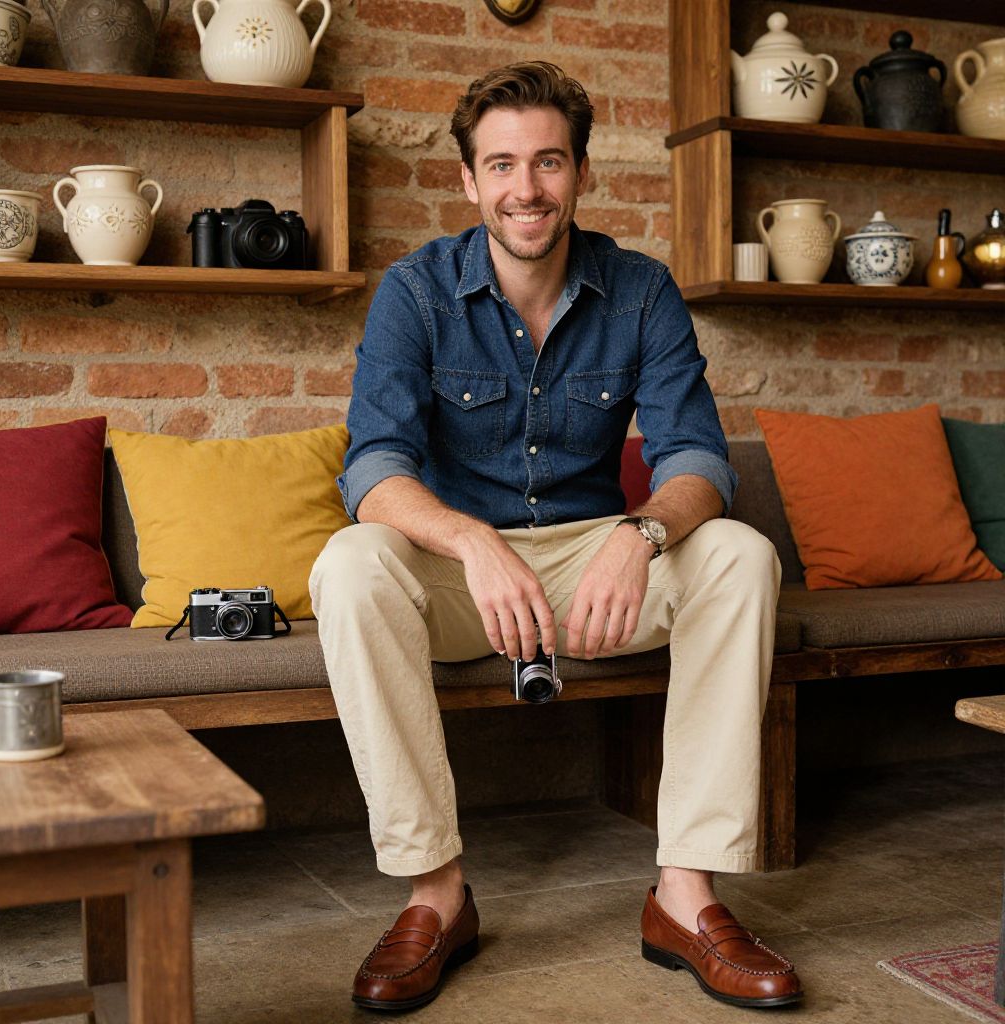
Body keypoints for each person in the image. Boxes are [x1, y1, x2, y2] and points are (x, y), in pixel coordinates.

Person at [309, 61, 803, 1013]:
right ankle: (436, 894)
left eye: (546, 162)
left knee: (740, 553)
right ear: (468, 181)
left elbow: (698, 457)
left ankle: (686, 896)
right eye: (501, 165)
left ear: (579, 172)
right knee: (351, 565)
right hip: (464, 579)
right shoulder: (414, 292)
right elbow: (372, 469)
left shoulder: (642, 291)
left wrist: (640, 534)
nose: (524, 188)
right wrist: (472, 543)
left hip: (595, 566)